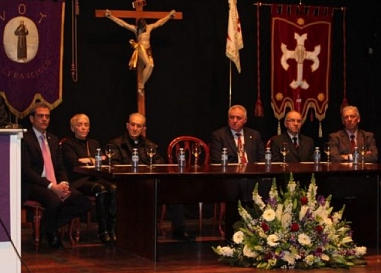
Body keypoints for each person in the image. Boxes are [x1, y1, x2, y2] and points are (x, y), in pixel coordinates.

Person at [109, 112, 195, 241]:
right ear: (127, 126)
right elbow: (114, 166)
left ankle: (179, 230)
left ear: (143, 129)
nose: (135, 128)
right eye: (132, 125)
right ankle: (123, 231)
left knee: (173, 190)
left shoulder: (150, 145)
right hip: (127, 184)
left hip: (148, 183)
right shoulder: (116, 144)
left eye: (139, 126)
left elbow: (159, 164)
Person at [21, 103, 92, 249]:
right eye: (40, 116)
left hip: (55, 183)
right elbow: (26, 171)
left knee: (83, 203)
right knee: (55, 201)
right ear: (32, 118)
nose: (44, 119)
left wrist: (64, 183)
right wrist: (51, 186)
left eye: (47, 116)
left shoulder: (53, 140)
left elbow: (60, 167)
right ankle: (52, 234)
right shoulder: (24, 139)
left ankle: (46, 227)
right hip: (35, 184)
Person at [209, 105, 266, 239]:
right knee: (236, 188)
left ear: (245, 120)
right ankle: (234, 235)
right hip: (230, 178)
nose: (234, 120)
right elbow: (217, 161)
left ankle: (259, 233)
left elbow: (262, 159)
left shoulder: (254, 135)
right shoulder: (218, 135)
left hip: (252, 177)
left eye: (238, 118)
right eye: (231, 117)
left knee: (265, 186)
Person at [61, 114, 117, 245]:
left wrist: (86, 160)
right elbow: (73, 163)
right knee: (101, 189)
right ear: (72, 128)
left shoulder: (94, 143)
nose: (83, 128)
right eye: (79, 125)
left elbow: (104, 161)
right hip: (78, 181)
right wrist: (93, 160)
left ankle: (112, 229)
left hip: (95, 178)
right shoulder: (68, 144)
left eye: (86, 125)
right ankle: (102, 230)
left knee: (114, 188)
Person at [105, 9, 176, 93]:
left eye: (143, 28)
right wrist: (110, 16)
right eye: (141, 29)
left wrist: (169, 16)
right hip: (141, 48)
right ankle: (140, 86)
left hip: (148, 50)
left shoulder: (149, 27)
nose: (143, 30)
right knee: (149, 65)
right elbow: (123, 24)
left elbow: (160, 22)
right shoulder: (135, 30)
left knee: (151, 66)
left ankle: (141, 85)